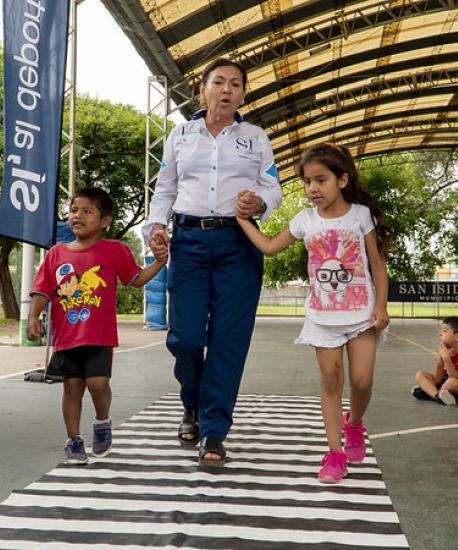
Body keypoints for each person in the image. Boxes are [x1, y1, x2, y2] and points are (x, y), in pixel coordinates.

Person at [145, 57, 283, 467]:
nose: (227, 90)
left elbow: (272, 186)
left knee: (228, 341)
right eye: (218, 82)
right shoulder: (180, 135)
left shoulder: (256, 137)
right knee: (185, 337)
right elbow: (164, 188)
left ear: (243, 93)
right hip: (188, 242)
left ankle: (213, 431)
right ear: (202, 89)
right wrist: (155, 227)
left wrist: (259, 201)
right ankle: (193, 402)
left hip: (238, 244)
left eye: (235, 84)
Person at [235, 142, 389, 483]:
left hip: (362, 314)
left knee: (362, 382)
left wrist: (381, 306)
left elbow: (377, 264)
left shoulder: (361, 217)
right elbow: (270, 247)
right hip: (322, 318)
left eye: (321, 180)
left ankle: (355, 424)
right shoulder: (305, 220)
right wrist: (244, 221)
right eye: (307, 182)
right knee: (331, 381)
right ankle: (334, 456)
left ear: (343, 180)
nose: (312, 189)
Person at [27, 188, 167, 464]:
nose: (78, 216)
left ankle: (102, 423)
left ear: (105, 221)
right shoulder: (56, 254)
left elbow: (135, 279)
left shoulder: (114, 250)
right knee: (72, 387)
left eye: (87, 211)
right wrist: (33, 317)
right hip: (67, 338)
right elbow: (42, 289)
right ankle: (73, 439)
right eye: (74, 210)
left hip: (99, 337)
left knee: (98, 383)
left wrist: (160, 263)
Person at [412, 316, 458, 406]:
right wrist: (439, 363)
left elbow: (456, 378)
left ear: (457, 336)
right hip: (448, 385)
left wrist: (447, 359)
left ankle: (431, 394)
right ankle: (437, 397)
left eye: (444, 331)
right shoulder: (446, 351)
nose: (440, 334)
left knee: (451, 383)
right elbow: (438, 380)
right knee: (420, 375)